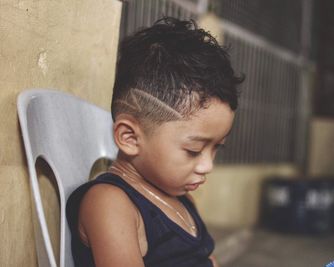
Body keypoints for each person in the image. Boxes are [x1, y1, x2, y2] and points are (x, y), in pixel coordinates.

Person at [66, 16, 244, 267]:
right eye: (193, 150)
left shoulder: (182, 199)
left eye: (216, 148)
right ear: (129, 137)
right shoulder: (111, 204)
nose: (207, 166)